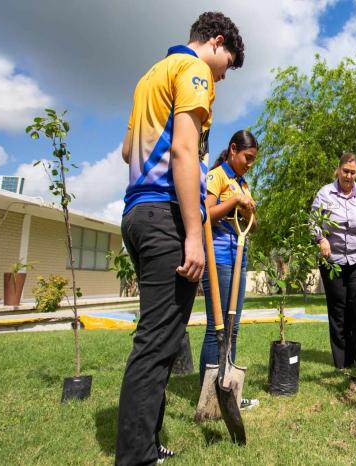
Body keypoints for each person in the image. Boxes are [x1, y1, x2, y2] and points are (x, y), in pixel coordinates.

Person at [117, 12, 245, 464]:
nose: (220, 78)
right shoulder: (192, 70)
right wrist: (194, 231)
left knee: (164, 339)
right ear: (214, 42)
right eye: (224, 67)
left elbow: (128, 150)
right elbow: (183, 149)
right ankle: (136, 456)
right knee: (156, 343)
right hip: (164, 215)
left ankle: (147, 442)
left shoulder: (150, 76)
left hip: (135, 213)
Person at [199, 130, 259, 410]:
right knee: (217, 328)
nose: (250, 164)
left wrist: (248, 212)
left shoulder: (242, 183)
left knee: (233, 328)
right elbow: (205, 214)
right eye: (247, 157)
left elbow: (254, 225)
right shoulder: (217, 177)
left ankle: (229, 391)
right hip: (219, 257)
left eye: (253, 160)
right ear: (233, 149)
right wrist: (234, 202)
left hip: (239, 258)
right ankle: (209, 393)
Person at [311, 153, 356, 370]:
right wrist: (321, 239)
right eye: (345, 171)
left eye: (353, 172)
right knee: (338, 311)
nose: (349, 176)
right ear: (338, 170)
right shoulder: (325, 193)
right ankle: (343, 363)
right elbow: (314, 223)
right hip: (333, 261)